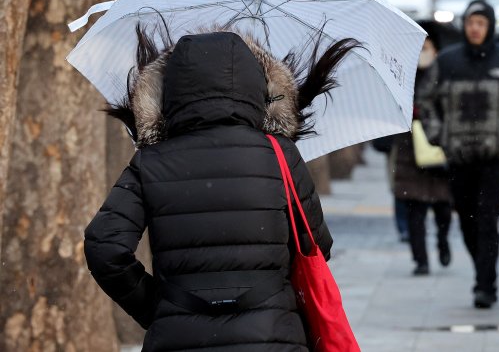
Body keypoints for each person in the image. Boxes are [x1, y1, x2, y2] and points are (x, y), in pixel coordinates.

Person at [84, 28, 358, 351]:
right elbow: (317, 245)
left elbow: (105, 248)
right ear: (257, 87)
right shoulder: (280, 155)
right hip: (273, 335)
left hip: (181, 338)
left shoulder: (150, 163)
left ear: (168, 92)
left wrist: (158, 307)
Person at [419, 0, 499, 309]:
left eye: (481, 23)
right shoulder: (446, 62)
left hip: (495, 159)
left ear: (489, 26)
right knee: (467, 223)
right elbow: (425, 102)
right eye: (471, 22)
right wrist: (438, 135)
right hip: (458, 158)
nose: (475, 28)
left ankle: (486, 285)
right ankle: (482, 271)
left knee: (487, 222)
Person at [390, 22, 453, 276]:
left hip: (438, 147)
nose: (422, 53)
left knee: (443, 207)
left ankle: (443, 241)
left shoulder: (446, 76)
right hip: (409, 152)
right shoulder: (403, 77)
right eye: (419, 49)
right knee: (415, 209)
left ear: (436, 50)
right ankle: (421, 260)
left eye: (426, 48)